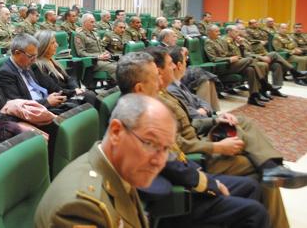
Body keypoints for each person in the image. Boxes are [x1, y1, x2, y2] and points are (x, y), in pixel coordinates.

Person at [115, 53, 272, 228]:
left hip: (184, 175)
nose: (161, 83)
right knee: (254, 212)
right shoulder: (138, 118)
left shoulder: (144, 107)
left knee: (251, 186)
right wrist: (209, 183)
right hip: (175, 193)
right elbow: (169, 165)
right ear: (139, 88)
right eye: (155, 78)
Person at [35, 94, 176, 228]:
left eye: (166, 149)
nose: (159, 161)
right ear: (116, 132)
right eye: (150, 144)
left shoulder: (122, 170)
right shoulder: (81, 207)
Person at [0, 34, 68, 112]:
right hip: (34, 112)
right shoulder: (5, 74)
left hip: (44, 105)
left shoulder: (26, 64)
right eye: (31, 56)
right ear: (17, 53)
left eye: (35, 56)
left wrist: (51, 97)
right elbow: (18, 105)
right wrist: (46, 102)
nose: (34, 60)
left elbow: (42, 88)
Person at [204, 25, 268, 107]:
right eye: (216, 31)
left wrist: (239, 47)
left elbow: (227, 52)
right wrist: (229, 59)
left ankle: (253, 97)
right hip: (223, 66)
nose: (219, 33)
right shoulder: (208, 42)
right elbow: (213, 59)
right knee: (250, 59)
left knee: (250, 69)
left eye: (219, 31)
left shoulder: (219, 40)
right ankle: (263, 82)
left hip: (230, 64)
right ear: (209, 33)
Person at [34, 30, 100, 109]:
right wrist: (74, 92)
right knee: (88, 96)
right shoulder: (38, 66)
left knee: (90, 95)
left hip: (68, 94)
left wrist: (76, 88)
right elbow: (54, 89)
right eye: (52, 43)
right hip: (60, 100)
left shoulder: (52, 60)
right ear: (43, 46)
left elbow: (69, 78)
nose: (57, 45)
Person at [74, 14, 117, 86]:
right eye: (92, 22)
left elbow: (101, 47)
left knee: (123, 66)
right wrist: (98, 56)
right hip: (93, 62)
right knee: (117, 68)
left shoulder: (95, 33)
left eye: (94, 22)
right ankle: (124, 89)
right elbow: (81, 53)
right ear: (84, 23)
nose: (94, 24)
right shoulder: (80, 35)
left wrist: (106, 53)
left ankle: (116, 88)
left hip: (103, 60)